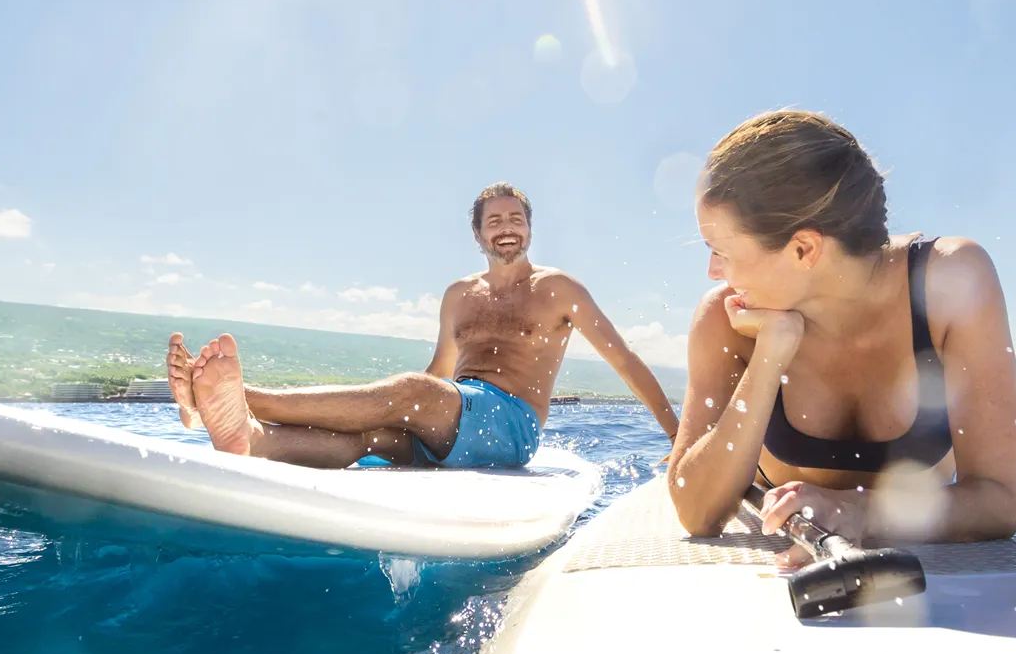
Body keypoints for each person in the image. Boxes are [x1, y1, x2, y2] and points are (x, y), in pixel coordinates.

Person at [666, 110, 1016, 561]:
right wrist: (769, 356)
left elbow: (1000, 500)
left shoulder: (950, 285)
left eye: (720, 252)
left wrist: (858, 513)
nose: (712, 272)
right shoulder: (726, 320)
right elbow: (696, 513)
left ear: (804, 249)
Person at [167, 182, 679, 469]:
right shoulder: (459, 295)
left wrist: (677, 439)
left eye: (515, 218)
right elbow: (440, 373)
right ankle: (253, 439)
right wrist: (401, 405)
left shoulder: (558, 289)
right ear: (478, 233)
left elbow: (625, 362)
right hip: (452, 415)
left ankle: (244, 397)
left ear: (529, 228)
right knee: (371, 438)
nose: (507, 228)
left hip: (512, 426)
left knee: (411, 393)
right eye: (495, 221)